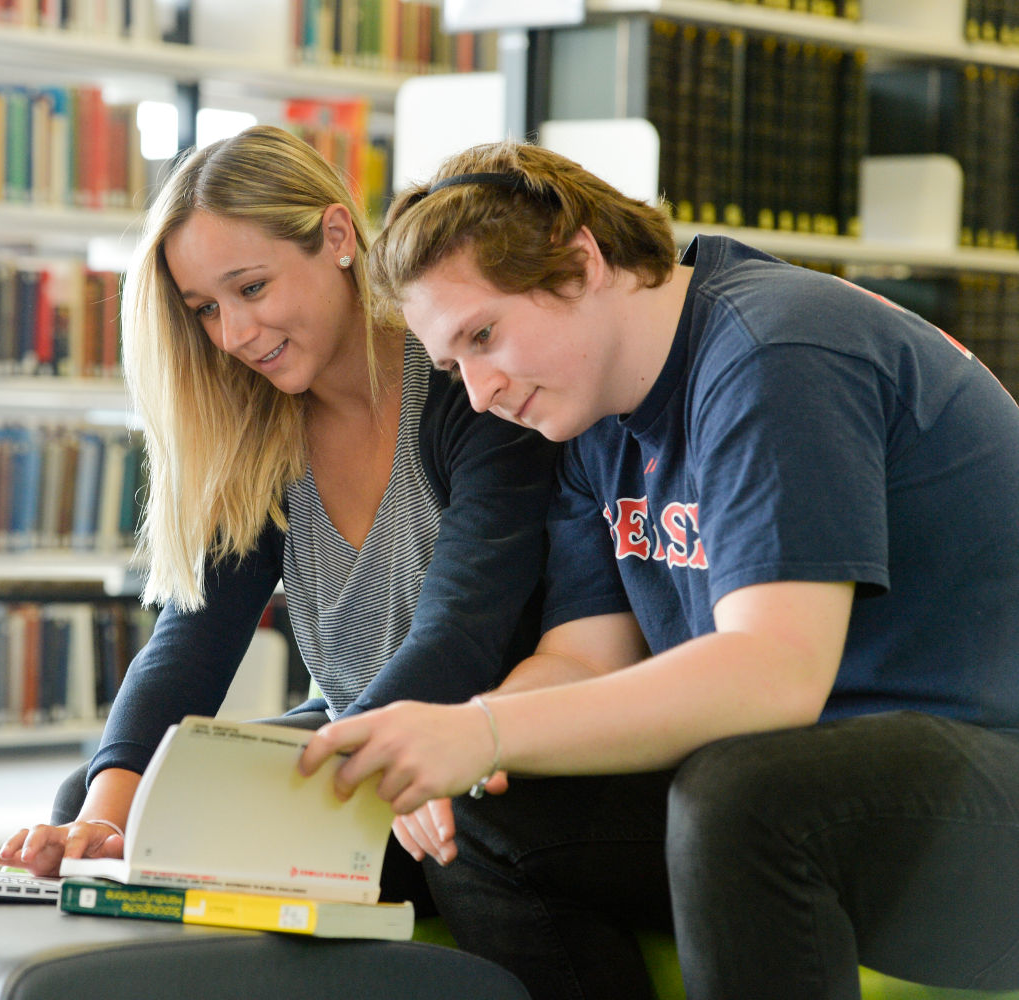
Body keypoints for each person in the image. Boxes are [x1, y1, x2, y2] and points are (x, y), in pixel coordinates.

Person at [299, 139, 1019, 1000]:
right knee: (488, 817)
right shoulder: (586, 410)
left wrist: (482, 730)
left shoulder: (773, 350)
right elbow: (582, 656)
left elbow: (774, 673)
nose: (480, 392)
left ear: (579, 260)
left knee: (745, 793)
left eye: (484, 336)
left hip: (982, 804)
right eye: (453, 366)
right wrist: (460, 743)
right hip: (829, 801)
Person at [0, 126, 555, 901]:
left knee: (191, 820)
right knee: (95, 793)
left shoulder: (464, 387)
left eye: (251, 289)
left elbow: (458, 633)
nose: (235, 336)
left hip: (475, 741)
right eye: (204, 309)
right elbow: (194, 638)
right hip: (352, 736)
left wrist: (314, 780)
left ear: (336, 235)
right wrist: (105, 821)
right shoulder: (262, 432)